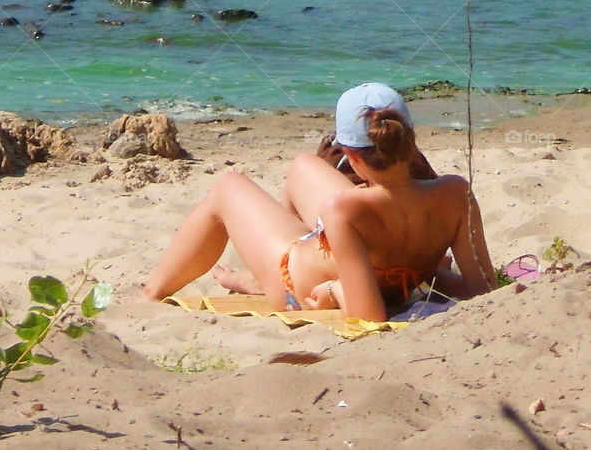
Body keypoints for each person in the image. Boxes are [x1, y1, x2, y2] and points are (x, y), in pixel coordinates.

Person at [141, 83, 496, 322]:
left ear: (349, 157)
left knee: (228, 187)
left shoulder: (345, 209)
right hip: (395, 275)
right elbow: (483, 291)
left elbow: (368, 319)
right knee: (302, 167)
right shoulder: (455, 192)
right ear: (410, 141)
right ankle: (256, 278)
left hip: (295, 286)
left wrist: (334, 290)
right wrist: (425, 271)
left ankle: (151, 295)